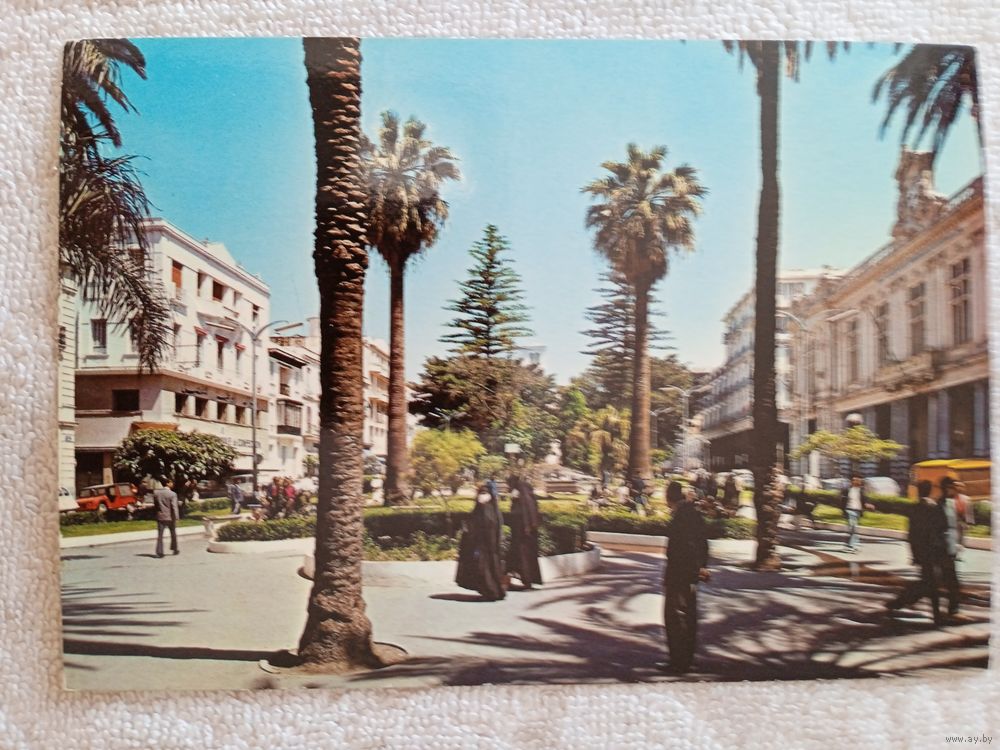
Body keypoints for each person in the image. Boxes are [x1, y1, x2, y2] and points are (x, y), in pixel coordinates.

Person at [662, 481, 709, 673]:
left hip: (680, 575)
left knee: (676, 618)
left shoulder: (682, 516)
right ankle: (685, 660)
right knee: (687, 617)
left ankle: (679, 662)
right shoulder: (693, 513)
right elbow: (703, 543)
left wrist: (693, 571)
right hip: (688, 574)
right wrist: (701, 568)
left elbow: (686, 546)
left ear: (669, 497)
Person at [888, 480, 948, 625]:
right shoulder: (935, 508)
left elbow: (911, 534)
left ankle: (900, 602)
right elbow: (943, 527)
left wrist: (914, 553)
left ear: (919, 491)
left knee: (928, 582)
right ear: (930, 491)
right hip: (934, 550)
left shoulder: (913, 508)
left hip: (921, 550)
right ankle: (934, 615)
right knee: (931, 583)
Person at [455, 477, 506, 601]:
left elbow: (493, 526)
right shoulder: (480, 509)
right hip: (481, 546)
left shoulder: (491, 510)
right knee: (483, 569)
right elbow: (474, 524)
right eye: (480, 493)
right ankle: (489, 591)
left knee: (487, 569)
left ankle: (493, 591)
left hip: (488, 547)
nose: (481, 497)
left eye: (484, 493)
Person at [507, 472, 543, 590]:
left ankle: (526, 580)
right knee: (526, 556)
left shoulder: (521, 492)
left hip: (523, 532)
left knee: (523, 556)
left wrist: (527, 526)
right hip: (524, 532)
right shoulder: (524, 492)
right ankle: (527, 580)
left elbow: (525, 510)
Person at [939, 478, 964, 615]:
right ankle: (953, 607)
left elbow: (956, 525)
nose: (954, 490)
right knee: (947, 580)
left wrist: (958, 543)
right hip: (942, 548)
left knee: (950, 579)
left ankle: (953, 607)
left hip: (950, 547)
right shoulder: (938, 504)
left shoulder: (952, 503)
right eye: (951, 487)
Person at [153, 479, 180, 558]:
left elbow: (156, 505)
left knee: (160, 535)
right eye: (171, 482)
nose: (172, 484)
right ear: (167, 483)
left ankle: (159, 552)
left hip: (160, 516)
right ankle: (174, 548)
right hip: (170, 517)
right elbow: (174, 506)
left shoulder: (156, 493)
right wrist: (176, 517)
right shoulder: (172, 494)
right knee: (173, 533)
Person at [840, 475, 867, 553]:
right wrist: (843, 510)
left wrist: (867, 505)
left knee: (853, 529)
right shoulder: (847, 490)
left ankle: (853, 544)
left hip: (858, 511)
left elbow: (864, 500)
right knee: (853, 528)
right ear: (852, 481)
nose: (856, 481)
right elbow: (843, 501)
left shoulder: (861, 490)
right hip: (849, 510)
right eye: (854, 480)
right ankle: (852, 546)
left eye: (858, 480)